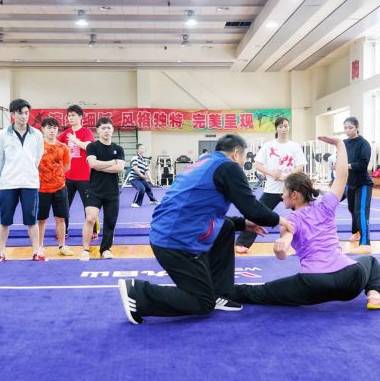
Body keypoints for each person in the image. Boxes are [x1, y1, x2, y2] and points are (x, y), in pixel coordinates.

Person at [117, 134, 295, 325]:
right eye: (244, 158)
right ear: (236, 154)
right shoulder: (229, 167)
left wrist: (242, 223)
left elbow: (201, 208)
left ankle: (221, 292)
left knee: (227, 226)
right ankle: (138, 293)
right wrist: (281, 220)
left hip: (168, 230)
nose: (244, 163)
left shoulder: (205, 162)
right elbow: (252, 208)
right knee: (202, 302)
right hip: (175, 242)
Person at [230, 136, 380, 310]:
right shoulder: (326, 205)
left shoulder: (289, 220)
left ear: (294, 195)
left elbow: (283, 247)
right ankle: (374, 295)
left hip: (314, 284)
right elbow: (342, 176)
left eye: (284, 192)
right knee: (370, 262)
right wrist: (340, 144)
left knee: (259, 293)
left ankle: (216, 292)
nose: (281, 196)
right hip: (349, 279)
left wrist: (281, 247)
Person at [235, 117, 306, 254]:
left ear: (289, 127)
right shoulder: (268, 146)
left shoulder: (295, 146)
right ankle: (243, 243)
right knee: (257, 214)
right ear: (276, 129)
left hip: (292, 189)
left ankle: (310, 241)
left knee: (304, 214)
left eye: (286, 126)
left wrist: (287, 176)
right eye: (280, 126)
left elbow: (300, 166)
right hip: (272, 188)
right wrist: (272, 174)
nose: (284, 129)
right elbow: (258, 165)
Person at [0, 98, 44, 262]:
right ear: (13, 114)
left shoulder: (36, 134)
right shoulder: (2, 135)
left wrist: (28, 171)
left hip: (29, 182)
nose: (23, 116)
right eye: (20, 113)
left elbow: (37, 157)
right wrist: (5, 176)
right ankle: (1, 252)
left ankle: (36, 251)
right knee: (4, 219)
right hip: (8, 183)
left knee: (32, 220)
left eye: (26, 113)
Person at [81, 117, 125, 261]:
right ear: (98, 130)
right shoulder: (92, 147)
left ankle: (105, 249)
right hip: (94, 190)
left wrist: (104, 165)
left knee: (110, 222)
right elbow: (93, 165)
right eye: (103, 128)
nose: (106, 130)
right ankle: (85, 249)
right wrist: (112, 162)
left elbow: (120, 167)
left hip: (112, 191)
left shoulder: (118, 149)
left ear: (112, 130)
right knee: (90, 218)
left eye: (109, 128)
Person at [57, 105, 99, 239]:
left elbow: (89, 146)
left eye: (73, 115)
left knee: (89, 205)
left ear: (80, 117)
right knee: (64, 205)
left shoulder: (86, 131)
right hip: (67, 176)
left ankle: (92, 231)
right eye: (69, 116)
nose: (71, 118)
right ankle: (64, 231)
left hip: (84, 176)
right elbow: (56, 145)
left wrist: (76, 141)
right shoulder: (66, 133)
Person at [37, 117, 71, 258]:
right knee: (41, 220)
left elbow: (66, 167)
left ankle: (62, 245)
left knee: (61, 219)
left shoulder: (63, 147)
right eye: (49, 128)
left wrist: (55, 177)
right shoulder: (37, 146)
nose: (52, 130)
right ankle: (39, 246)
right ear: (43, 129)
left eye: (55, 128)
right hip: (41, 189)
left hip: (59, 188)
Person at [343, 117, 373, 253]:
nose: (348, 131)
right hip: (350, 183)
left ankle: (366, 242)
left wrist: (346, 165)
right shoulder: (344, 143)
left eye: (350, 127)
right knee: (352, 209)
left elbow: (363, 164)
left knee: (361, 211)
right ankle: (356, 231)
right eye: (345, 128)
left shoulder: (364, 144)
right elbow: (341, 160)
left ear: (357, 127)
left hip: (363, 184)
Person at [130, 143, 159, 208]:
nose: (143, 150)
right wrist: (141, 175)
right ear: (137, 150)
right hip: (134, 178)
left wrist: (151, 180)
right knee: (141, 189)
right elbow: (135, 168)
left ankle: (152, 200)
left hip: (141, 178)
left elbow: (147, 171)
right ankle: (135, 203)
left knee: (148, 188)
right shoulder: (135, 158)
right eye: (141, 148)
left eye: (144, 148)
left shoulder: (144, 160)